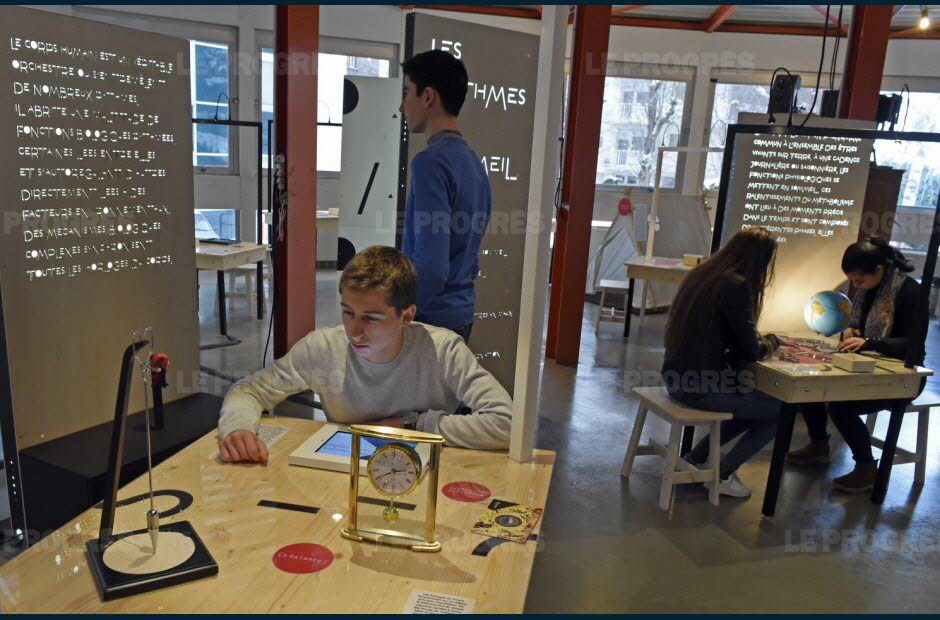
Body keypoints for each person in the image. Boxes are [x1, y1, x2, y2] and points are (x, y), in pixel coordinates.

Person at [217, 246, 512, 464]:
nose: (354, 331)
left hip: (422, 471)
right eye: (347, 312)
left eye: (371, 318)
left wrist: (415, 423)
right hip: (342, 470)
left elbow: (508, 424)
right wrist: (238, 428)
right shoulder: (322, 348)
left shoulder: (443, 350)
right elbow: (249, 390)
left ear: (406, 316)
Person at [787, 237, 925, 493]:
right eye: (852, 280)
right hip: (868, 366)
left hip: (904, 376)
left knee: (841, 407)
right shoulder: (869, 288)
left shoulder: (910, 293)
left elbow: (912, 343)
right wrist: (851, 331)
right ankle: (819, 445)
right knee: (811, 384)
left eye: (859, 280)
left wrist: (871, 342)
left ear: (879, 270)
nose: (855, 285)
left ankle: (866, 467)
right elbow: (859, 324)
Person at [661, 227, 782, 498]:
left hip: (677, 378)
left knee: (755, 406)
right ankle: (722, 475)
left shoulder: (703, 274)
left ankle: (696, 458)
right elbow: (751, 350)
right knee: (779, 412)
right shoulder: (736, 284)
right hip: (699, 387)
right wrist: (772, 342)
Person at [399, 49, 491, 344]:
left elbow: (432, 268)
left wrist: (392, 313)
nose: (402, 105)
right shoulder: (474, 163)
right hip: (461, 316)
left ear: (428, 96)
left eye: (406, 92)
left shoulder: (430, 163)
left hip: (430, 322)